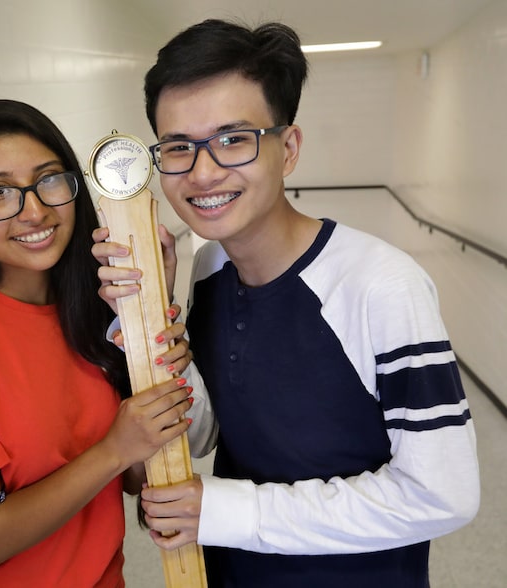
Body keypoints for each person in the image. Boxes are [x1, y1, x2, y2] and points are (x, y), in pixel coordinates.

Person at [93, 19, 480, 588]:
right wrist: (147, 309)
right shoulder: (208, 270)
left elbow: (445, 494)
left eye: (233, 139)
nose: (203, 172)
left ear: (288, 147)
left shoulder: (383, 285)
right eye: (179, 147)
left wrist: (227, 512)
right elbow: (205, 434)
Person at [0, 98, 215, 587]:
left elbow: (130, 478)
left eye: (48, 180)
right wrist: (113, 449)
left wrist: (151, 317)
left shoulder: (89, 317)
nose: (34, 210)